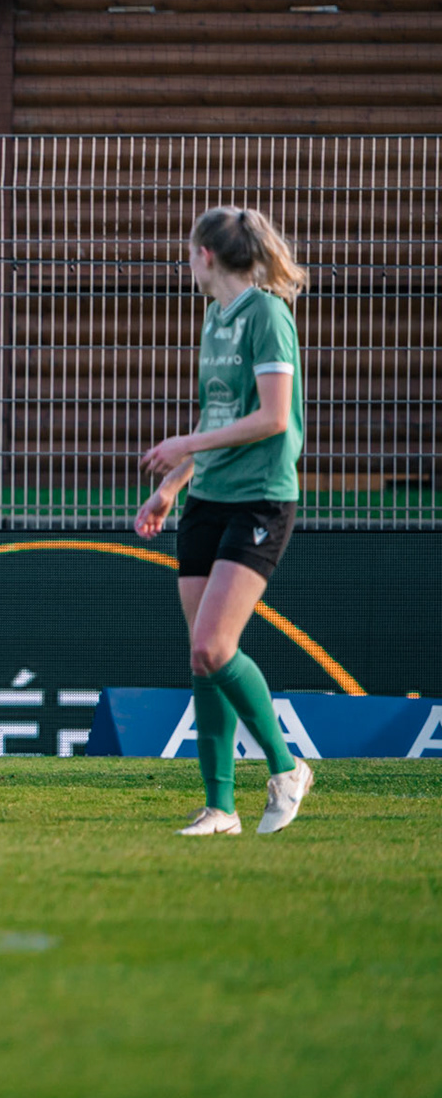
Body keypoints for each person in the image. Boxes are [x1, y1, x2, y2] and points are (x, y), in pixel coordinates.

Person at [137, 206, 314, 837]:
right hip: (205, 499)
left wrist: (183, 443)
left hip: (261, 499)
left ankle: (288, 769)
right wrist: (170, 486)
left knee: (215, 646)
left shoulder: (268, 315)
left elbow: (272, 418)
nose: (187, 262)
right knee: (201, 656)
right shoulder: (215, 317)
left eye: (190, 252)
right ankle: (220, 809)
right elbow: (218, 421)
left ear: (207, 256)